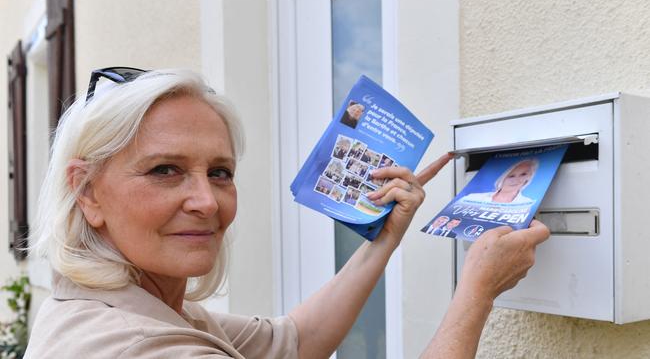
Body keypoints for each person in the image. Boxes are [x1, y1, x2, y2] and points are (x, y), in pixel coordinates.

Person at [24, 68, 550, 358]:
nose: (206, 201)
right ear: (88, 192)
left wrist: (383, 237)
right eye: (165, 170)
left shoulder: (141, 308)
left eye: (220, 172)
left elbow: (294, 341)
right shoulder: (137, 347)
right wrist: (477, 291)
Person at [459, 159, 539, 204]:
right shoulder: (472, 198)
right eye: (511, 176)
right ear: (502, 178)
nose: (516, 180)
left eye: (523, 174)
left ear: (529, 177)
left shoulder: (529, 204)